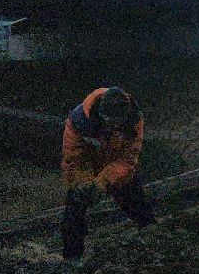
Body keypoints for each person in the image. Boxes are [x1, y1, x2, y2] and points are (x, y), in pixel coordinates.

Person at [60, 86, 155, 261]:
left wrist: (103, 182)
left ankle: (153, 236)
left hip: (117, 168)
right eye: (110, 122)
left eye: (118, 123)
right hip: (88, 168)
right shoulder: (79, 121)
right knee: (74, 211)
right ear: (101, 114)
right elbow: (74, 158)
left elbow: (128, 159)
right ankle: (71, 258)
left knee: (137, 203)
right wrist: (85, 183)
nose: (113, 127)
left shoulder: (134, 121)